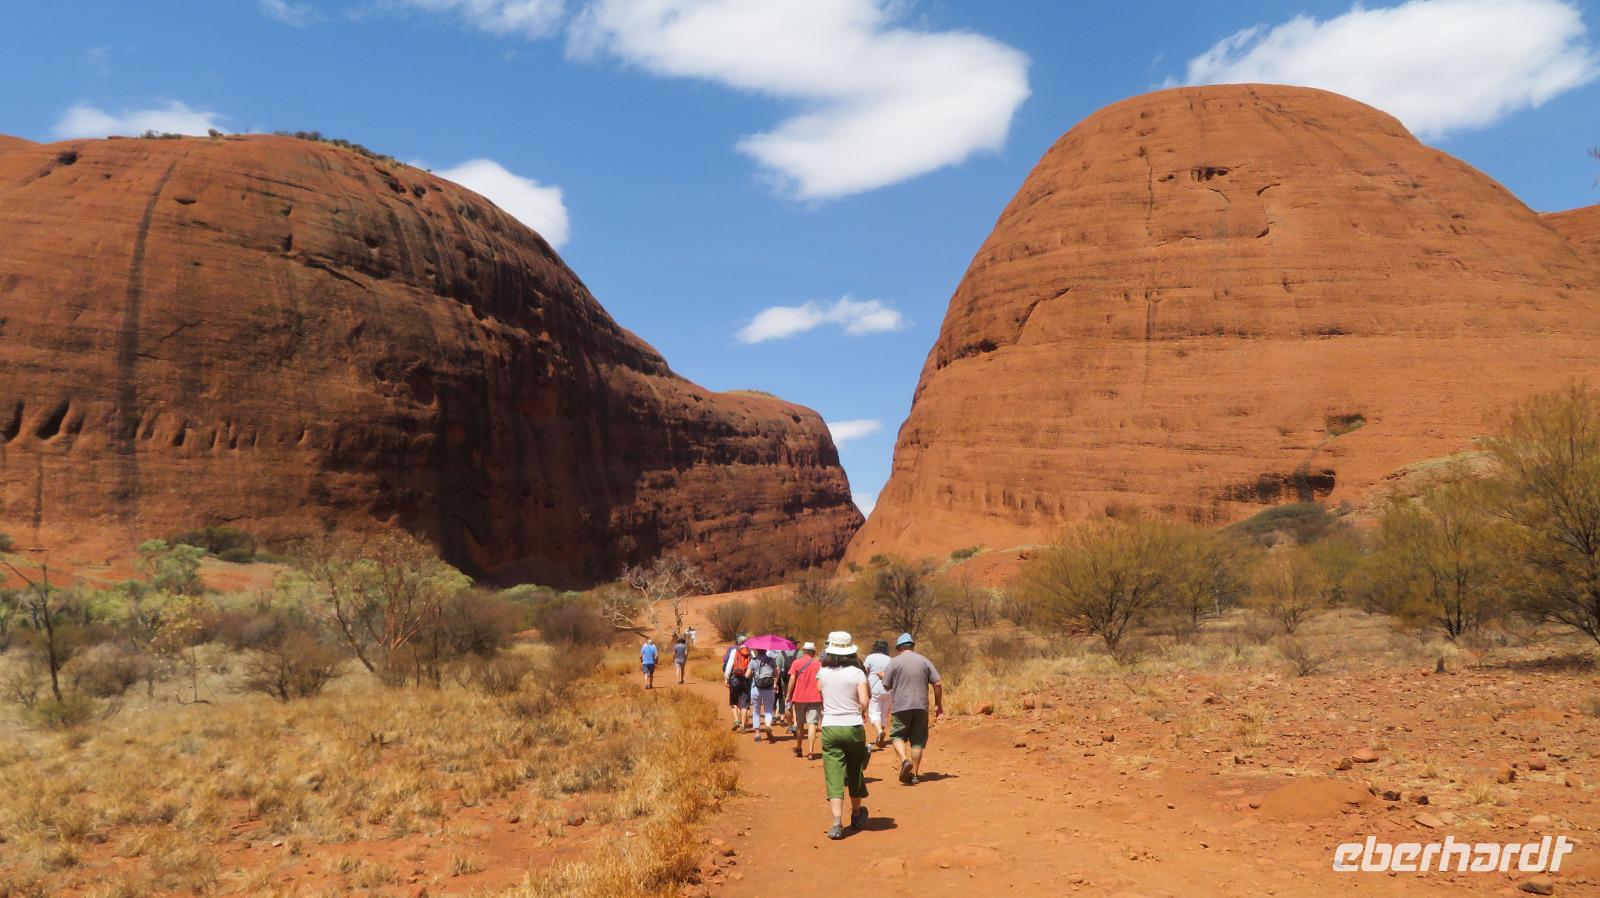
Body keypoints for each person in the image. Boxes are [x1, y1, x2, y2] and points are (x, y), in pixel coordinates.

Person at [815, 631, 871, 840]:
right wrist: (859, 708)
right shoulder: (857, 673)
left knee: (834, 775)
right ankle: (856, 814)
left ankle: (837, 824)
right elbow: (864, 702)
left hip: (830, 727)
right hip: (853, 727)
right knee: (855, 770)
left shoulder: (824, 671)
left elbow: (818, 688)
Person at [882, 632, 943, 785]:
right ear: (912, 646)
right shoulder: (924, 661)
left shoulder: (894, 662)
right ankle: (914, 775)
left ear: (899, 648)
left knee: (897, 735)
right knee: (917, 741)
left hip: (901, 706)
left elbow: (886, 685)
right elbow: (937, 684)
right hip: (921, 706)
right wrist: (938, 705)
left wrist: (883, 676)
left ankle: (904, 760)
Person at [785, 641, 823, 759]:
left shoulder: (796, 662)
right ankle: (811, 752)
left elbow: (792, 679)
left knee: (800, 723)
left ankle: (799, 747)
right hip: (815, 697)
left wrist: (788, 694)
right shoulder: (819, 664)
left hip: (800, 696)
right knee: (812, 723)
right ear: (813, 652)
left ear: (804, 651)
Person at [862, 639, 893, 750]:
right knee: (884, 713)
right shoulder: (890, 659)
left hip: (874, 689)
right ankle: (881, 737)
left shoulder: (870, 657)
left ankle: (879, 731)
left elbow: (864, 672)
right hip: (889, 689)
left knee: (874, 712)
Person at [748, 649, 779, 742]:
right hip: (769, 689)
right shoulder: (772, 660)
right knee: (768, 710)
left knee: (756, 711)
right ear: (766, 650)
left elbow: (747, 675)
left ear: (757, 650)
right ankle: (768, 725)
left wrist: (753, 673)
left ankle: (757, 734)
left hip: (756, 689)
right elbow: (775, 674)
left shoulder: (753, 661)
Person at [723, 635, 753, 731]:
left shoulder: (734, 651)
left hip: (735, 678)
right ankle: (743, 726)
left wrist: (726, 677)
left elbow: (730, 665)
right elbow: (754, 665)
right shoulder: (751, 652)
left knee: (733, 701)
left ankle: (736, 720)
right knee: (744, 703)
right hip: (747, 679)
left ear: (738, 642)